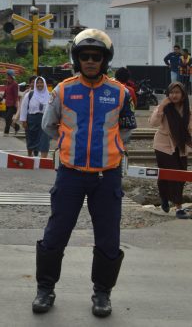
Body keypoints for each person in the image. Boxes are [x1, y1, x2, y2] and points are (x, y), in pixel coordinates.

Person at [33, 29, 133, 318]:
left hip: (107, 177)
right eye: (85, 56)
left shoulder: (120, 93)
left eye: (96, 57)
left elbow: (125, 130)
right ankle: (44, 289)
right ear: (77, 59)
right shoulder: (63, 90)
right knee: (56, 232)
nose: (90, 61)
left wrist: (109, 149)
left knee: (108, 237)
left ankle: (102, 293)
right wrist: (69, 146)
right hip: (70, 175)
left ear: (105, 60)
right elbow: (48, 126)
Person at [148, 81, 191, 219]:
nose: (174, 95)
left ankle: (164, 198)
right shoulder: (164, 108)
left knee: (182, 175)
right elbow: (153, 123)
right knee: (170, 174)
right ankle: (178, 208)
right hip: (163, 146)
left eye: (177, 92)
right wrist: (161, 107)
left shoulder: (187, 110)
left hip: (181, 147)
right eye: (171, 92)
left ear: (183, 95)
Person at [19, 76, 50, 158]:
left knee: (45, 140)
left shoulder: (49, 96)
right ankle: (30, 155)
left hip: (44, 120)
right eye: (38, 83)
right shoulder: (29, 94)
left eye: (41, 82)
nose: (40, 84)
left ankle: (43, 159)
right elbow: (24, 107)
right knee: (31, 138)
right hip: (32, 120)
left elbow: (52, 109)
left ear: (45, 84)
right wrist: (24, 121)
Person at [2, 69, 20, 135]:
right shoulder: (7, 83)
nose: (6, 77)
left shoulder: (15, 84)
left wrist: (16, 103)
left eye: (7, 75)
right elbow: (5, 92)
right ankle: (16, 127)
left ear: (10, 76)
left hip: (12, 104)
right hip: (7, 103)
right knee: (7, 118)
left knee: (7, 118)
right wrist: (3, 98)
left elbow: (16, 95)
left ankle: (6, 132)